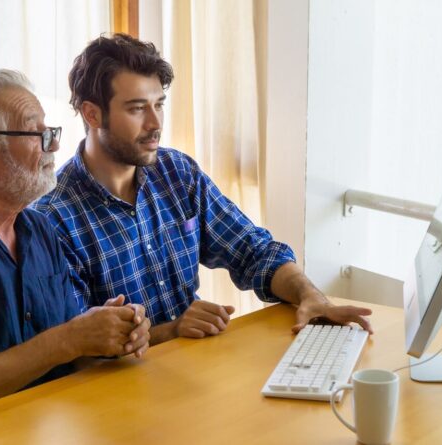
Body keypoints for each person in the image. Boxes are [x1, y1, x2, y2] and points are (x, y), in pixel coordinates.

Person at [33, 34, 373, 346]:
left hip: (191, 375)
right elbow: (75, 347)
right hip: (116, 396)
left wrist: (311, 296)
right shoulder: (53, 218)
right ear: (92, 114)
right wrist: (174, 329)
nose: (155, 123)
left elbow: (253, 251)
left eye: (159, 104)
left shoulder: (177, 172)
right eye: (137, 108)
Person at [0, 69, 151, 421]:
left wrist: (109, 335)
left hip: (54, 425)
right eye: (36, 133)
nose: (54, 145)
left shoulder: (38, 228)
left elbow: (66, 358)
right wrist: (68, 340)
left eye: (51, 131)